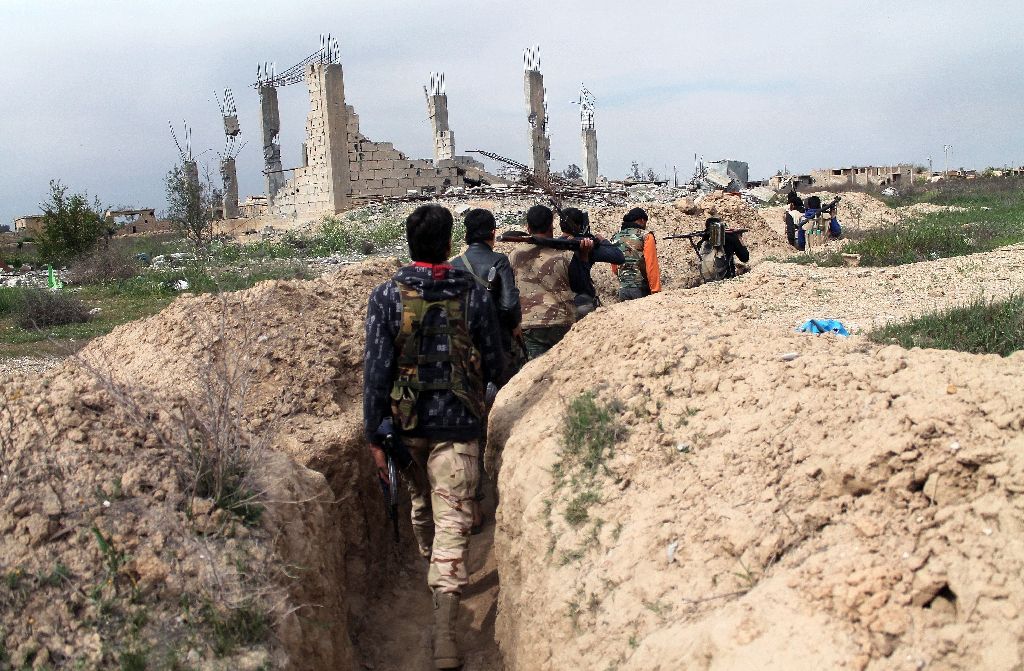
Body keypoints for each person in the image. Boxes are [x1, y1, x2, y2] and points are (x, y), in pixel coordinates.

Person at [363, 204, 504, 670]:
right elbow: (494, 358)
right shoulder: (474, 293)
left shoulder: (385, 296)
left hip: (404, 426)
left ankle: (437, 598)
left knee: (422, 505)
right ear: (449, 244)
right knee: (451, 518)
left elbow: (376, 371)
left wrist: (374, 435)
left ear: (409, 242)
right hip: (458, 424)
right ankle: (443, 614)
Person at [509, 204, 592, 358]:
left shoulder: (515, 255)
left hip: (530, 325)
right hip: (562, 321)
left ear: (528, 227)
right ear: (551, 226)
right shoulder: (566, 254)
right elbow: (582, 287)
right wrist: (584, 256)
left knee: (536, 373)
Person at [450, 208, 523, 380]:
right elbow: (508, 304)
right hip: (497, 342)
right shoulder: (499, 261)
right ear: (493, 233)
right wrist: (515, 327)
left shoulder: (454, 265)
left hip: (463, 343)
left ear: (467, 233)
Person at [558, 207, 625, 318]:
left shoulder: (554, 244)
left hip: (560, 304)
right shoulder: (585, 245)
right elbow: (618, 257)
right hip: (581, 302)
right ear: (579, 225)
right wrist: (603, 240)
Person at [610, 207, 662, 300]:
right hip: (641, 290)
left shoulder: (615, 237)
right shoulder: (646, 236)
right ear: (642, 220)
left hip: (623, 290)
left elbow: (614, 268)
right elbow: (651, 265)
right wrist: (656, 291)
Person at [698, 217, 750, 281]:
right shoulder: (731, 237)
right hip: (726, 279)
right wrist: (739, 237)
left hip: (708, 279)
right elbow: (745, 257)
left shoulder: (702, 242)